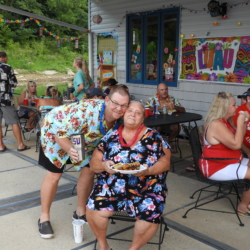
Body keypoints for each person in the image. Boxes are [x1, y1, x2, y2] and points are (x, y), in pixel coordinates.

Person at [38, 86, 130, 239]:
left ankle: (80, 212)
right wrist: (70, 150)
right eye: (115, 103)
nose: (119, 109)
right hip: (55, 130)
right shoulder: (86, 112)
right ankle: (44, 218)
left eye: (123, 105)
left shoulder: (120, 118)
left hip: (84, 136)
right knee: (55, 175)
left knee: (89, 170)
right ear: (106, 100)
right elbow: (60, 133)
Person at [86, 101, 170, 250]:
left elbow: (165, 161)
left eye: (138, 113)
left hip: (146, 188)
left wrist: (148, 171)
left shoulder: (154, 136)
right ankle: (103, 246)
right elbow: (93, 163)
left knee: (150, 214)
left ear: (143, 118)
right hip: (111, 186)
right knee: (93, 208)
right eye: (130, 110)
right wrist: (105, 165)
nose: (133, 114)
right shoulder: (110, 136)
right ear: (124, 114)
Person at [200, 91, 250, 216]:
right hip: (215, 166)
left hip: (229, 161)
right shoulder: (216, 124)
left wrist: (243, 123)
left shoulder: (225, 121)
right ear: (225, 107)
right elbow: (236, 144)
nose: (237, 107)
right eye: (233, 105)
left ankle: (246, 200)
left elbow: (241, 135)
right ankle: (243, 207)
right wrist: (239, 122)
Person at [0, 51, 30, 152]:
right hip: (5, 99)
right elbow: (14, 84)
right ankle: (20, 145)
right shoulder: (7, 67)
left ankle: (1, 146)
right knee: (14, 122)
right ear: (4, 58)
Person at [146, 83, 185, 154]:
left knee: (177, 128)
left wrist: (175, 107)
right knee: (157, 128)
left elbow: (183, 110)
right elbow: (145, 110)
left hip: (170, 122)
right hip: (157, 122)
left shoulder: (173, 99)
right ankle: (159, 145)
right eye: (162, 90)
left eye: (166, 89)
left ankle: (168, 142)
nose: (164, 91)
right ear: (157, 91)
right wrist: (158, 107)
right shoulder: (152, 99)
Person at [233, 89, 250, 157]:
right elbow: (235, 137)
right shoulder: (238, 112)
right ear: (249, 98)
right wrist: (248, 152)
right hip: (243, 151)